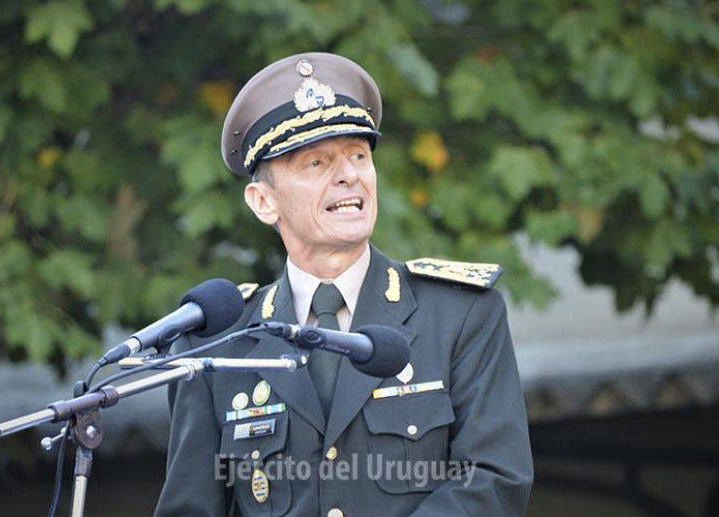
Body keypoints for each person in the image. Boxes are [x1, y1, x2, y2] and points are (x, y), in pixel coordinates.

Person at [155, 52, 533, 517]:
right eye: (316, 163)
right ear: (263, 202)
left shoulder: (460, 313)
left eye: (358, 154)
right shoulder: (217, 343)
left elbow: (494, 480)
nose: (349, 175)